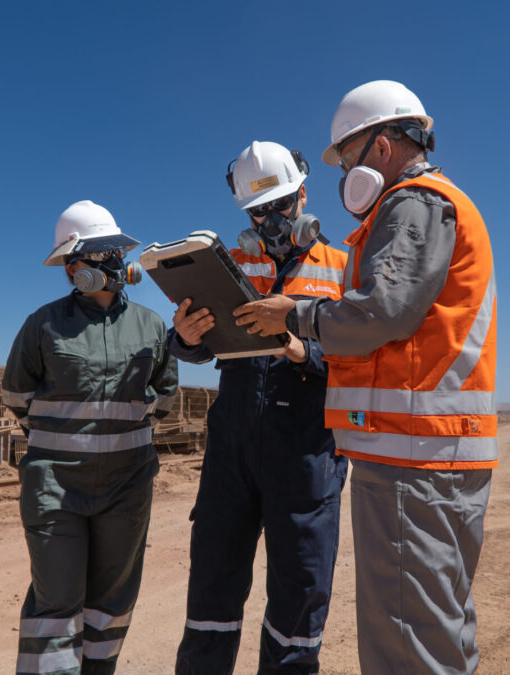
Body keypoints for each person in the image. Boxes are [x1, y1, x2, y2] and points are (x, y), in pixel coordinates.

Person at [234, 81, 498, 674]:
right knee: (438, 631)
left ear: (380, 147)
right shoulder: (425, 203)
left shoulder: (413, 202)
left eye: (346, 157)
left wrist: (296, 314)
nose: (345, 172)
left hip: (416, 456)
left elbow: (380, 313)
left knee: (408, 643)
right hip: (430, 453)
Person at [172, 141, 348, 674]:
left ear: (304, 194)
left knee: (298, 598)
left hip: (306, 454)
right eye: (258, 211)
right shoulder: (226, 264)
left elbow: (366, 359)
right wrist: (184, 337)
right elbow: (196, 348)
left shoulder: (342, 267)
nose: (270, 220)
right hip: (232, 453)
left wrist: (298, 346)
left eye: (281, 206)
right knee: (211, 596)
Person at [1, 200, 178, 675]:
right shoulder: (43, 324)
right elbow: (17, 395)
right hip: (55, 488)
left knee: (112, 601)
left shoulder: (151, 325)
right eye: (87, 257)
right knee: (55, 603)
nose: (109, 262)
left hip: (127, 486)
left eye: (112, 252)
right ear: (74, 267)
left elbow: (164, 395)